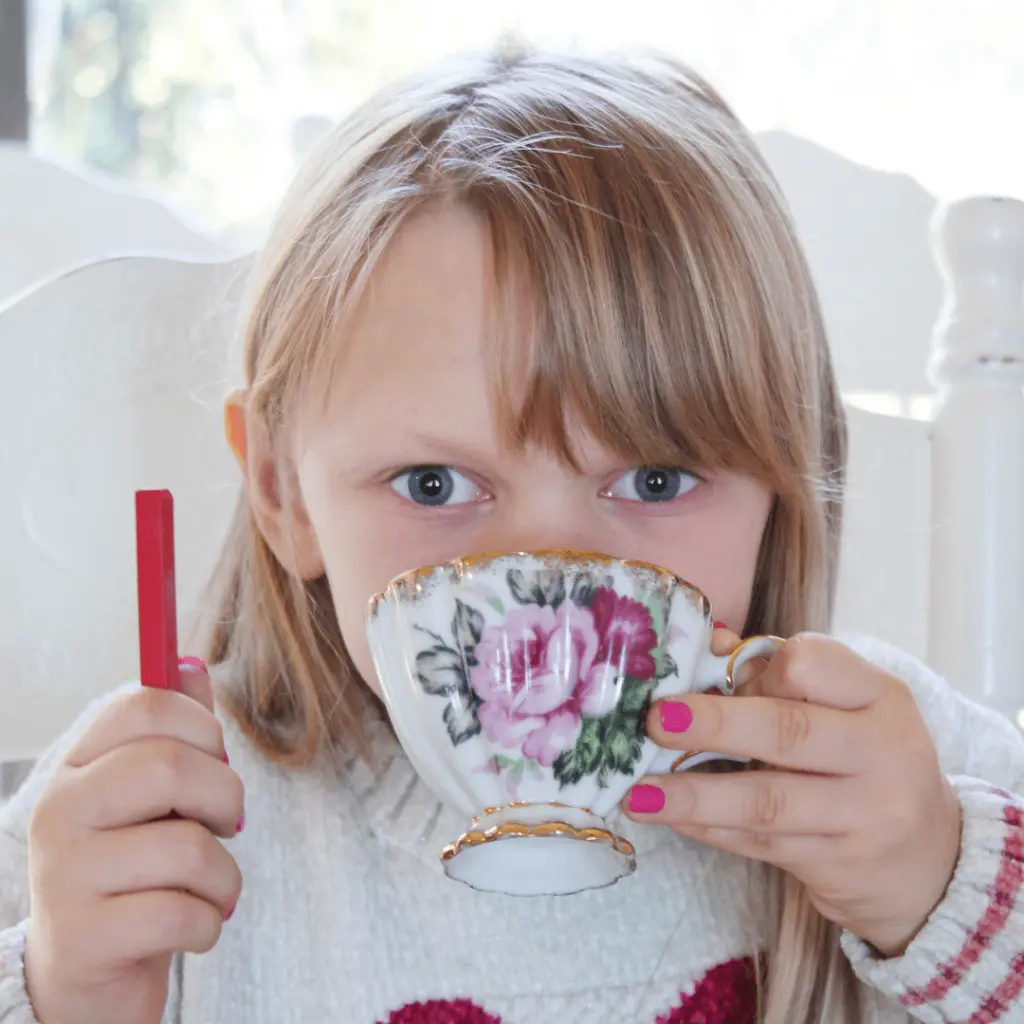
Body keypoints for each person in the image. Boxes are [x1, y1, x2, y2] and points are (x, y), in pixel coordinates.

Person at [2, 43, 1022, 1024]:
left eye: (655, 477)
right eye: (436, 482)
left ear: (778, 487)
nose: (544, 571)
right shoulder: (151, 803)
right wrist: (69, 998)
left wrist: (945, 890)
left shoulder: (892, 776)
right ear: (283, 489)